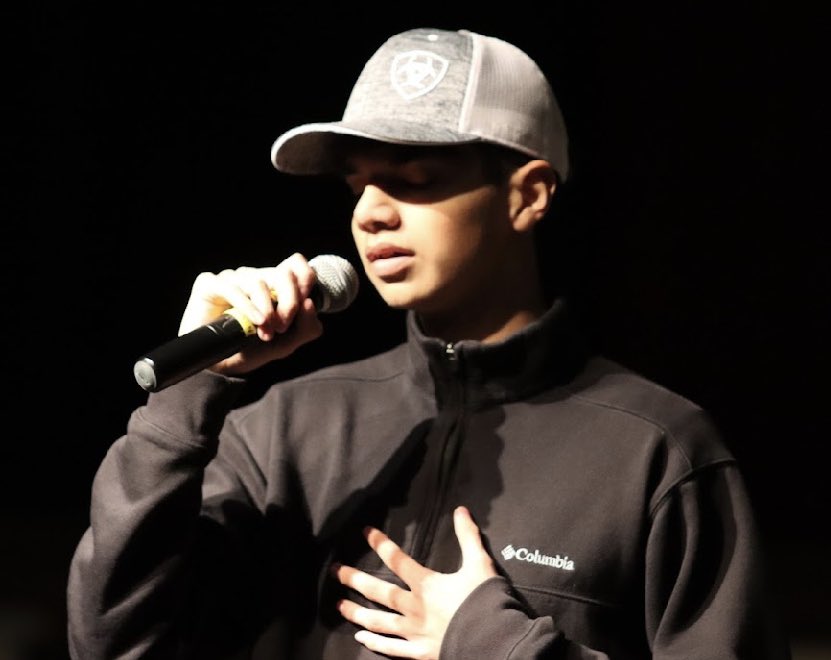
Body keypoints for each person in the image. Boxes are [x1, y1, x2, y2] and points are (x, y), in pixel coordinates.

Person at [66, 27, 791, 659]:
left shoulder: (657, 450)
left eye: (413, 181)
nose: (371, 214)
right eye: (357, 186)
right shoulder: (283, 431)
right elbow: (113, 644)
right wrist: (191, 391)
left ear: (527, 194)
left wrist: (496, 644)